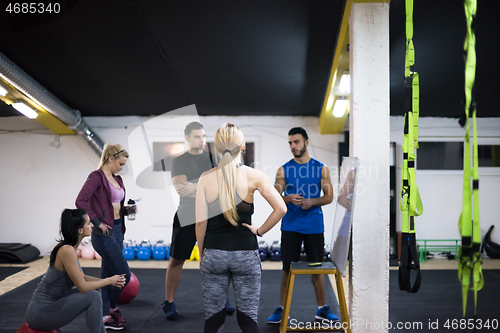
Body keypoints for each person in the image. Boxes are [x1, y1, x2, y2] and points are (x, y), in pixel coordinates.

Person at [196, 122, 287, 333]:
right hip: (245, 254)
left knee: (213, 320)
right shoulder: (255, 176)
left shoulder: (205, 178)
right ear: (243, 146)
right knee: (248, 321)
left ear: (217, 148)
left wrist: (204, 255)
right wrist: (260, 231)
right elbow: (281, 208)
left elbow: (201, 223)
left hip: (214, 253)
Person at [163, 121, 240, 319]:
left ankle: (223, 300)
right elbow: (182, 189)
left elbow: (222, 182)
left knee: (215, 260)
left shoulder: (214, 158)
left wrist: (196, 186)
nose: (201, 140)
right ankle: (169, 302)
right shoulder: (179, 161)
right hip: (186, 215)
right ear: (187, 137)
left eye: (204, 136)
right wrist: (206, 184)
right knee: (177, 259)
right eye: (197, 136)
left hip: (212, 215)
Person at [267, 127, 339, 324]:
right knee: (287, 270)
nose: (293, 146)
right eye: (290, 143)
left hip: (314, 226)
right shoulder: (283, 170)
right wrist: (288, 198)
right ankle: (282, 309)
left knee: (316, 269)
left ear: (306, 143)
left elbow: (329, 196)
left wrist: (313, 202)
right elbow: (274, 196)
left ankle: (322, 309)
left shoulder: (321, 168)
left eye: (296, 142)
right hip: (290, 226)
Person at [25, 209, 126, 333]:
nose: (92, 225)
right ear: (80, 230)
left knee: (95, 292)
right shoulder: (66, 250)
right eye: (89, 223)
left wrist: (108, 281)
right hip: (40, 314)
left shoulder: (70, 248)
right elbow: (83, 287)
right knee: (93, 295)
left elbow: (82, 277)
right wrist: (109, 281)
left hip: (51, 305)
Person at [75, 143, 132, 330]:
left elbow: (112, 205)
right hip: (103, 233)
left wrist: (127, 210)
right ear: (110, 158)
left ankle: (105, 316)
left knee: (109, 274)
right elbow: (80, 200)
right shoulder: (96, 177)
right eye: (121, 164)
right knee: (124, 274)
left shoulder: (117, 179)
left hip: (117, 230)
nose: (122, 168)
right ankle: (113, 308)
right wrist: (97, 221)